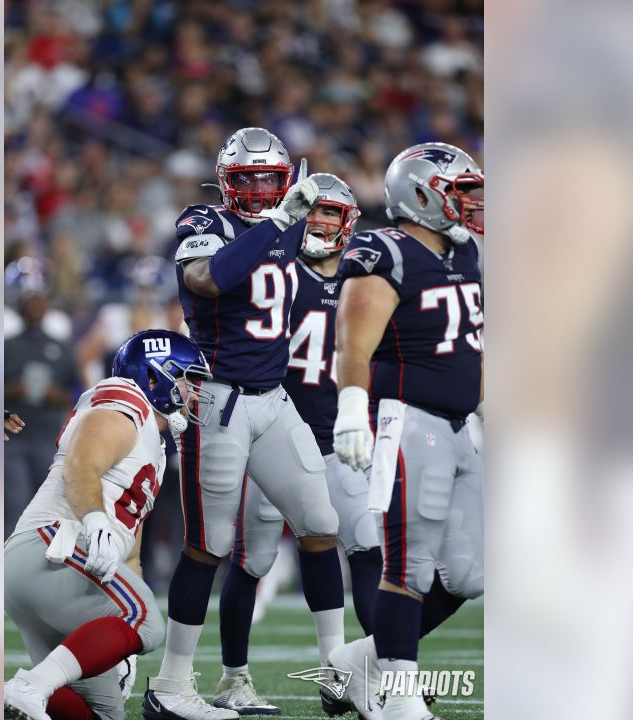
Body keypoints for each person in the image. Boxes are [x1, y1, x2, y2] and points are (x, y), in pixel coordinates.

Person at [143, 128, 345, 720]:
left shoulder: (292, 225)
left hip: (275, 398)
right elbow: (206, 279)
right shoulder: (204, 220)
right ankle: (171, 685)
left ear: (283, 178)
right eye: (247, 179)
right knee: (209, 545)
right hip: (218, 401)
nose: (258, 190)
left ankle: (339, 672)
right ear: (227, 182)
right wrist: (278, 222)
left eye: (268, 179)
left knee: (319, 522)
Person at [212, 174, 383, 715]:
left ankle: (366, 670)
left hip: (338, 438)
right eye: (314, 213)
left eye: (331, 215)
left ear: (347, 223)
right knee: (254, 559)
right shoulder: (277, 269)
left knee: (362, 541)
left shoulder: (367, 280)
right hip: (276, 437)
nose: (321, 223)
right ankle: (233, 676)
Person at [328, 143, 486, 720]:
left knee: (474, 569)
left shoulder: (465, 254)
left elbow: (472, 345)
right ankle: (398, 698)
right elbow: (353, 341)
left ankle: (359, 661)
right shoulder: (383, 250)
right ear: (420, 194)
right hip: (406, 419)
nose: (472, 205)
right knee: (410, 565)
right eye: (462, 192)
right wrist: (351, 408)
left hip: (458, 425)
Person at [4, 329, 215, 720]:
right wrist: (96, 519)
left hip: (61, 569)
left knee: (99, 712)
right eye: (188, 379)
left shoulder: (151, 443)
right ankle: (28, 686)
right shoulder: (126, 398)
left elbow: (131, 554)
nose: (194, 393)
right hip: (54, 544)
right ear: (155, 377)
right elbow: (81, 462)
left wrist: (123, 650)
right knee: (148, 622)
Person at [4, 286, 81, 539]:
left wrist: (55, 395)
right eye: (30, 301)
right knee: (14, 506)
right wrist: (13, 390)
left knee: (47, 510)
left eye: (39, 300)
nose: (35, 306)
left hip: (49, 439)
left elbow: (79, 394)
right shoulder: (7, 346)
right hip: (12, 440)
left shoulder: (62, 348)